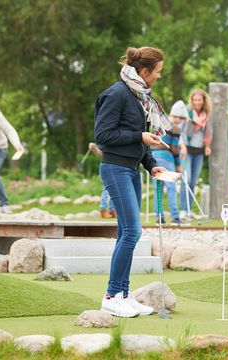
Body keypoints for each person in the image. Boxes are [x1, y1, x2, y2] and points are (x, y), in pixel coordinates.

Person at [94, 46, 169, 317]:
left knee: (127, 233)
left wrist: (152, 166)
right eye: (158, 72)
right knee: (132, 232)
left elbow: (143, 136)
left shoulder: (139, 95)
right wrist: (139, 137)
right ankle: (112, 295)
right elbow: (103, 136)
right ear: (145, 71)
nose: (159, 77)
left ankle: (124, 294)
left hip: (131, 169)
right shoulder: (116, 94)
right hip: (115, 169)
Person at [151, 100, 189, 226]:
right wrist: (179, 165)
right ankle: (175, 217)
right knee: (171, 188)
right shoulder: (176, 129)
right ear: (171, 114)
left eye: (181, 118)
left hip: (153, 158)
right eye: (176, 116)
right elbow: (174, 149)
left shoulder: (159, 123)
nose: (178, 120)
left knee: (158, 188)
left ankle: (159, 217)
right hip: (166, 159)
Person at [179, 89, 213, 219]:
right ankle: (183, 209)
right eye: (195, 100)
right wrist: (182, 146)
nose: (197, 102)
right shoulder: (187, 113)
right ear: (192, 101)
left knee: (193, 182)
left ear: (203, 101)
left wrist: (207, 146)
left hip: (198, 152)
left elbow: (208, 132)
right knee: (186, 180)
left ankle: (189, 210)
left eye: (199, 100)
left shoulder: (205, 115)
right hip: (187, 150)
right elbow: (181, 132)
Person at [89, 142, 116, 218]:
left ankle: (113, 210)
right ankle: (103, 209)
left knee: (115, 189)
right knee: (106, 190)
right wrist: (94, 148)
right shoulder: (106, 139)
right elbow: (100, 154)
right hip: (107, 166)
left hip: (116, 165)